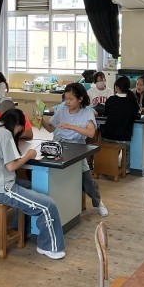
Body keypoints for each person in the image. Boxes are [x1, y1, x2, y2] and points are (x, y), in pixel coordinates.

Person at [0, 108, 66, 260]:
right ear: (16, 123)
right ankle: (48, 247)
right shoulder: (5, 134)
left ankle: (21, 229)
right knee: (48, 205)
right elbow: (11, 167)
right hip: (1, 188)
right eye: (20, 128)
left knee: (30, 186)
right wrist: (29, 155)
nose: (19, 132)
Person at [41, 83, 109, 217]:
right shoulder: (61, 110)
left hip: (77, 147)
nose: (67, 102)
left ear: (80, 99)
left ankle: (99, 202)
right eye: (66, 98)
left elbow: (90, 133)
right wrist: (40, 120)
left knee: (86, 179)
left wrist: (70, 126)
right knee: (50, 172)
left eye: (71, 99)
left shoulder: (87, 112)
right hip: (59, 145)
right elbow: (50, 128)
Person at [102, 76, 141, 172]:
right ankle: (125, 168)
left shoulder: (111, 99)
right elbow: (136, 116)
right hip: (124, 135)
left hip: (108, 134)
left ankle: (107, 166)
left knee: (108, 147)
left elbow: (106, 113)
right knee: (127, 149)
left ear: (117, 87)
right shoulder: (132, 101)